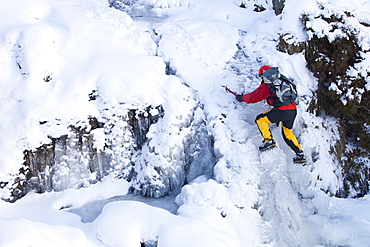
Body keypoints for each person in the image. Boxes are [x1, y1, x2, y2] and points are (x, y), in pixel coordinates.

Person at [235, 65, 306, 164]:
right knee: (287, 133)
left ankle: (268, 140)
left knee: (260, 119)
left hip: (282, 110)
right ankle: (300, 155)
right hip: (292, 110)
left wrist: (242, 98)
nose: (262, 79)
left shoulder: (268, 85)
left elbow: (254, 97)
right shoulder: (283, 81)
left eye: (261, 76)